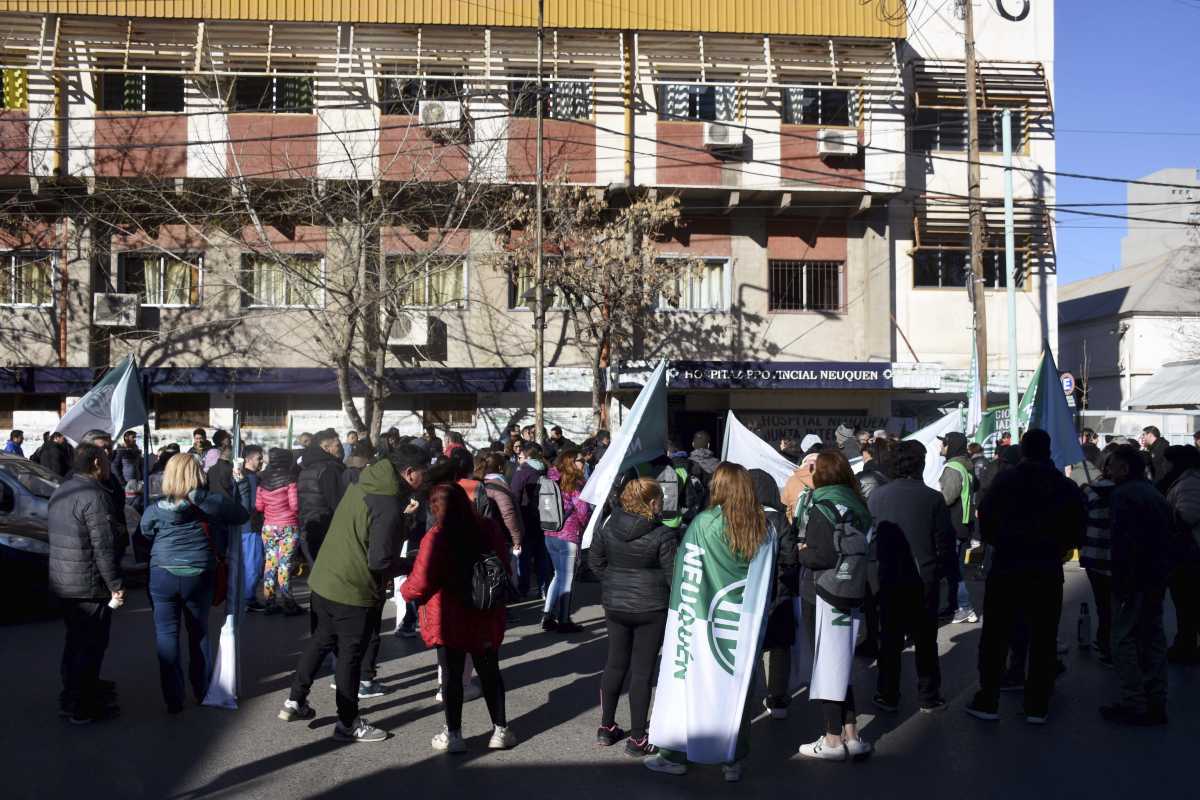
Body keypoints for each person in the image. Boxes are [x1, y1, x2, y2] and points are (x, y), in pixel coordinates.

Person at [280, 446, 422, 741]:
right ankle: (348, 722)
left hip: (324, 579)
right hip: (351, 589)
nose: (427, 479)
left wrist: (403, 522)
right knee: (350, 656)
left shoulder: (364, 482)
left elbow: (371, 535)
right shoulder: (387, 504)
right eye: (424, 473)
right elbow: (380, 560)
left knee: (321, 640)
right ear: (409, 473)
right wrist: (414, 562)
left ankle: (295, 699)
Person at [644, 463, 770, 782]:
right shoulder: (763, 526)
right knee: (736, 691)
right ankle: (732, 759)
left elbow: (688, 572)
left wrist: (682, 620)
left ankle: (675, 754)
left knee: (693, 687)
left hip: (703, 619)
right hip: (744, 623)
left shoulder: (704, 523)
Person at [968, 430, 1086, 725]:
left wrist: (1002, 541)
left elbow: (987, 516)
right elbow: (1078, 527)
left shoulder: (1006, 481)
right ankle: (1037, 704)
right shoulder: (1064, 485)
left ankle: (989, 698)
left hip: (1008, 567)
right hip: (1046, 568)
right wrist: (1060, 548)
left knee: (996, 634)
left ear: (1023, 451)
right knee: (1044, 637)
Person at [401, 483, 517, 754]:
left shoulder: (437, 536)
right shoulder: (487, 527)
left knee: (452, 675)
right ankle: (500, 729)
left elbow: (420, 581)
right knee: (490, 672)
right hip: (484, 611)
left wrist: (404, 592)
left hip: (448, 615)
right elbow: (503, 563)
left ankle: (454, 734)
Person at [140, 454, 249, 714]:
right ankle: (202, 690)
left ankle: (173, 699)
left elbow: (145, 531)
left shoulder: (156, 507)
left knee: (166, 635)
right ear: (197, 474)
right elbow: (241, 515)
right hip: (199, 572)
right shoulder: (211, 503)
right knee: (198, 632)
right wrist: (242, 485)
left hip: (162, 572)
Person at [795, 451, 874, 762]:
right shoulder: (858, 504)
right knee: (843, 662)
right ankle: (851, 734)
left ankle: (830, 740)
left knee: (826, 664)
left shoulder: (821, 505)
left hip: (823, 592)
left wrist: (802, 551)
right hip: (853, 588)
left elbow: (820, 556)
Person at [590, 478, 677, 756]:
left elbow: (595, 562)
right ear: (652, 502)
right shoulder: (663, 534)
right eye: (660, 499)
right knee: (641, 672)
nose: (662, 503)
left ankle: (606, 727)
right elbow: (673, 576)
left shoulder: (607, 525)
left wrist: (615, 582)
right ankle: (638, 738)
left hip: (615, 605)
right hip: (651, 607)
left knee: (615, 663)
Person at [868, 441, 955, 714]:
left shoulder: (877, 497)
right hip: (923, 577)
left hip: (887, 576)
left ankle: (887, 694)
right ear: (921, 464)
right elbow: (944, 543)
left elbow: (870, 540)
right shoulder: (932, 498)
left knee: (890, 639)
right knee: (926, 640)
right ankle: (928, 695)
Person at [48, 443, 124, 724]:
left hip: (64, 581)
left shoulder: (63, 489)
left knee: (75, 642)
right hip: (87, 583)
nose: (108, 465)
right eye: (105, 459)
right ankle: (81, 705)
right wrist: (115, 583)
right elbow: (103, 547)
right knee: (89, 646)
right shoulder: (94, 496)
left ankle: (71, 696)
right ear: (94, 463)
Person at [1101, 446, 1173, 725]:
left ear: (1125, 468)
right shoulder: (1154, 493)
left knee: (1123, 638)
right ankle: (1157, 700)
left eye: (1113, 466)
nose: (1109, 470)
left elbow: (1123, 543)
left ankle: (1134, 701)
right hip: (1156, 577)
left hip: (1133, 579)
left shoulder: (1123, 496)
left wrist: (1121, 582)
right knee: (1153, 637)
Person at [752, 469, 799, 721]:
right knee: (779, 647)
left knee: (750, 649)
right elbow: (791, 558)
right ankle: (778, 698)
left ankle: (746, 697)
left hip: (748, 596)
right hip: (778, 593)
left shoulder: (739, 518)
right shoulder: (779, 520)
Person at [543, 450, 591, 633]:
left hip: (549, 533)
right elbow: (582, 510)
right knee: (567, 578)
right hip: (568, 535)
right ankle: (564, 620)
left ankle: (547, 615)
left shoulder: (552, 479)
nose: (583, 463)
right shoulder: (575, 483)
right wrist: (586, 525)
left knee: (558, 575)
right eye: (580, 460)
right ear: (572, 462)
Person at [1081, 445, 1119, 665]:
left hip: (1094, 554)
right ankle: (1113, 645)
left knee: (1102, 604)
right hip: (1117, 556)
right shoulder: (1128, 491)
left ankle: (1103, 641)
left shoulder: (1091, 491)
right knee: (1119, 604)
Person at [1162, 446, 1200, 664]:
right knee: (1187, 603)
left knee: (1188, 603)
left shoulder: (1190, 483)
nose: (1165, 466)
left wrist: (1165, 514)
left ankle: (1185, 645)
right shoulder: (1185, 481)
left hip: (1190, 556)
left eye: (1168, 462)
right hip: (1186, 555)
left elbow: (1187, 516)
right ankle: (1185, 643)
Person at [254, 448, 303, 615]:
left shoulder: (262, 481)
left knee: (270, 563)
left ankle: (269, 601)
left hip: (268, 527)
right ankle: (288, 602)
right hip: (288, 526)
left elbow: (259, 506)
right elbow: (295, 506)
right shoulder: (291, 480)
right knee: (285, 564)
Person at [938, 431, 979, 624]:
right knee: (954, 567)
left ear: (950, 445)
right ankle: (953, 605)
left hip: (953, 524)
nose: (941, 447)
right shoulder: (967, 465)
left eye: (943, 443)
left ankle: (965, 607)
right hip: (964, 524)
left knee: (955, 569)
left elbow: (947, 497)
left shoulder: (953, 467)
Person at [297, 428, 348, 566]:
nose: (341, 448)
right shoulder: (330, 469)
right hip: (327, 530)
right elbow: (339, 504)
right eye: (338, 445)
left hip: (308, 528)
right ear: (326, 447)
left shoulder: (306, 469)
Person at [510, 441, 552, 599]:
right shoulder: (545, 469)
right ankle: (544, 588)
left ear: (526, 455)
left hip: (526, 517)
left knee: (524, 556)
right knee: (542, 554)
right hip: (545, 516)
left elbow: (515, 494)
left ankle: (523, 588)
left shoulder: (523, 470)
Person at [478, 452, 524, 556]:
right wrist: (516, 539)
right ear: (500, 468)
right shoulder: (499, 487)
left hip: (488, 537)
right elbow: (508, 514)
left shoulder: (482, 483)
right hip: (503, 539)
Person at [239, 445, 266, 611]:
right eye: (259, 458)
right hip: (251, 525)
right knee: (253, 564)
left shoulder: (240, 476)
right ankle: (248, 598)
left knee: (247, 563)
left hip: (243, 526)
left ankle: (246, 596)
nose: (262, 461)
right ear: (248, 459)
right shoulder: (252, 478)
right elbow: (256, 504)